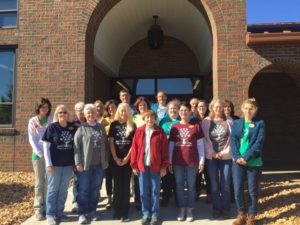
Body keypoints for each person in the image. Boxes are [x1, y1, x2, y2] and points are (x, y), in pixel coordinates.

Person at [131, 110, 169, 225]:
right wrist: (134, 165)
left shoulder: (160, 131)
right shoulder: (139, 131)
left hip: (155, 167)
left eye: (152, 118)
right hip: (142, 166)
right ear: (144, 119)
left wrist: (164, 167)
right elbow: (134, 149)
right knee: (143, 191)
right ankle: (146, 213)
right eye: (147, 117)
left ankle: (154, 214)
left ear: (155, 119)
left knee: (155, 191)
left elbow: (165, 151)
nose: (149, 120)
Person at [230, 98, 265, 225]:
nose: (248, 110)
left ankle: (251, 216)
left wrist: (246, 158)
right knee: (238, 189)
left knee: (252, 191)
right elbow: (233, 140)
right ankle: (241, 214)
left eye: (251, 108)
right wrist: (237, 156)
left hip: (253, 162)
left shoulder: (260, 123)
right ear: (242, 109)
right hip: (238, 162)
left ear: (254, 110)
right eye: (246, 108)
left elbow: (258, 143)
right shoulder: (237, 123)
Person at [73, 104, 109, 224]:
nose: (90, 115)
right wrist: (78, 162)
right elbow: (76, 147)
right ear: (85, 114)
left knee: (95, 190)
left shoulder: (101, 127)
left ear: (95, 114)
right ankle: (82, 213)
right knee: (83, 190)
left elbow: (106, 146)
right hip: (85, 166)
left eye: (92, 112)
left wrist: (106, 160)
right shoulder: (81, 128)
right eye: (88, 113)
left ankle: (92, 211)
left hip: (99, 166)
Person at [169, 103, 205, 222]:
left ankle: (189, 209)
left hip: (192, 161)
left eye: (186, 110)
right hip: (177, 161)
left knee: (191, 185)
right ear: (179, 112)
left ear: (190, 112)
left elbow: (200, 144)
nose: (184, 112)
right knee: (179, 185)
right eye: (182, 110)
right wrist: (169, 161)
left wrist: (202, 160)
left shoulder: (196, 126)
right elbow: (171, 145)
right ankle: (182, 208)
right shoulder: (174, 127)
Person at [42, 105, 76, 225]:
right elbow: (46, 147)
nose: (62, 114)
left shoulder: (72, 127)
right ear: (57, 114)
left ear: (68, 114)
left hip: (67, 165)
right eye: (60, 112)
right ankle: (50, 214)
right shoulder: (52, 127)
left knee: (63, 190)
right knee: (52, 190)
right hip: (54, 165)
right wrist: (48, 164)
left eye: (65, 112)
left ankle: (60, 212)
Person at [201, 99, 233, 219]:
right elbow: (203, 139)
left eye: (221, 107)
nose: (218, 109)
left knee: (225, 185)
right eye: (216, 107)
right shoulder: (206, 122)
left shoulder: (229, 121)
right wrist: (212, 153)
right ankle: (216, 208)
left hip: (226, 157)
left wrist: (223, 153)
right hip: (211, 158)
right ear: (212, 108)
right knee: (214, 185)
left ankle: (226, 209)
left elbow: (233, 139)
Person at [108, 103, 136, 221]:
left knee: (125, 186)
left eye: (125, 111)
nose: (123, 113)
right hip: (115, 159)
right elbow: (111, 142)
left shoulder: (132, 125)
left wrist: (126, 159)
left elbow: (133, 145)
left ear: (129, 112)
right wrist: (115, 158)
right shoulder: (114, 125)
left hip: (127, 160)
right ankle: (116, 210)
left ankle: (124, 211)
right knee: (117, 186)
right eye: (121, 111)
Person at [28, 97, 52, 221]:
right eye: (42, 107)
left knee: (48, 182)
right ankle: (38, 208)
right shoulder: (33, 121)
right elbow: (32, 140)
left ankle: (48, 208)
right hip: (37, 156)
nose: (45, 109)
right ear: (38, 108)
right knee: (39, 183)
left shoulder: (51, 119)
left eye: (47, 107)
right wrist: (40, 153)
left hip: (50, 156)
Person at [158, 99, 181, 206]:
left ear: (178, 109)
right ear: (167, 110)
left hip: (179, 153)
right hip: (165, 152)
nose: (173, 110)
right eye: (170, 108)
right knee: (166, 178)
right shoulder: (163, 121)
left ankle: (178, 199)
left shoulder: (182, 119)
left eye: (174, 108)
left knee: (177, 178)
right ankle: (166, 198)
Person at [132, 96, 151, 210]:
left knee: (149, 179)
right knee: (137, 178)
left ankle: (149, 200)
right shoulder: (134, 118)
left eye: (144, 105)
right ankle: (138, 200)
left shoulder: (151, 116)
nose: (142, 107)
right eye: (140, 106)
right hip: (138, 150)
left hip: (149, 151)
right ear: (137, 107)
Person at [195, 99, 212, 203]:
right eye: (199, 106)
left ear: (206, 108)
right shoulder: (193, 120)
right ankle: (197, 192)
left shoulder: (210, 119)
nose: (202, 108)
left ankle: (209, 194)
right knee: (197, 174)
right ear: (196, 108)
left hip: (209, 150)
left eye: (203, 106)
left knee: (208, 174)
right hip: (196, 151)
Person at [71, 101, 86, 213]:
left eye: (82, 110)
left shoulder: (89, 122)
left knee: (86, 179)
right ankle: (75, 202)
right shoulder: (71, 123)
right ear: (75, 111)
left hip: (88, 156)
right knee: (77, 180)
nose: (81, 112)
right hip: (76, 155)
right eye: (78, 110)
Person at [103, 99, 118, 209]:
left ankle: (117, 197)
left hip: (118, 151)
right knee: (108, 177)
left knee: (117, 177)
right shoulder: (104, 121)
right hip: (107, 152)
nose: (111, 109)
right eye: (109, 108)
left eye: (113, 107)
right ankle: (110, 198)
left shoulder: (120, 119)